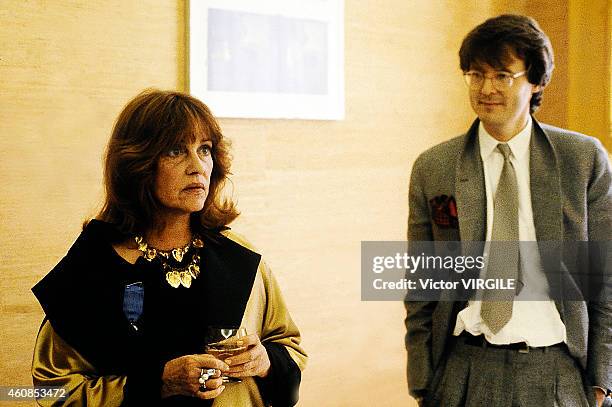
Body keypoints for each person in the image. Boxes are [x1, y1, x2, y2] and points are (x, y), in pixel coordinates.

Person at [31, 89, 307, 406]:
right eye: (176, 151)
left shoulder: (239, 257)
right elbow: (51, 390)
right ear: (137, 163)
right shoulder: (91, 269)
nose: (198, 166)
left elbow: (289, 348)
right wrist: (157, 383)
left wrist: (265, 361)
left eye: (204, 149)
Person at [404, 15, 611, 407]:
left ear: (536, 80)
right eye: (475, 74)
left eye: (502, 75)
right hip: (463, 369)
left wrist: (601, 382)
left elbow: (605, 280)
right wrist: (423, 382)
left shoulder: (582, 159)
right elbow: (422, 284)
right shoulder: (435, 167)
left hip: (557, 371)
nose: (486, 88)